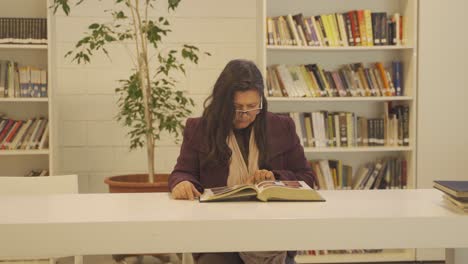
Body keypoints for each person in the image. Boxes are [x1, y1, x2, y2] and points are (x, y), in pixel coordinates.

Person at [169, 59, 316, 264]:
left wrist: (275, 178)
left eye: (252, 106)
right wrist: (182, 183)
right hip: (218, 237)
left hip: (273, 237)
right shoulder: (200, 129)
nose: (245, 115)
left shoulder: (282, 127)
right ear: (222, 103)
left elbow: (307, 178)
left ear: (261, 102)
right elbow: (182, 172)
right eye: (237, 108)